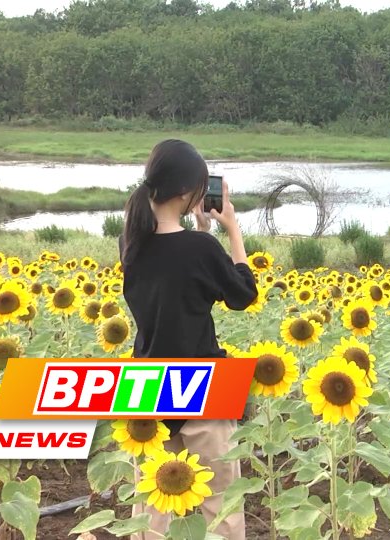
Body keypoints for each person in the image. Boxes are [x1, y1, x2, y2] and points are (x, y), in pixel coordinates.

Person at [119, 139, 258, 540]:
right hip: (201, 382)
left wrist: (200, 231)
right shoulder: (201, 249)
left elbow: (173, 279)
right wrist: (231, 229)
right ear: (187, 192)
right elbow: (242, 293)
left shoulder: (131, 244)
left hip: (145, 382)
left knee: (151, 501)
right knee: (222, 500)